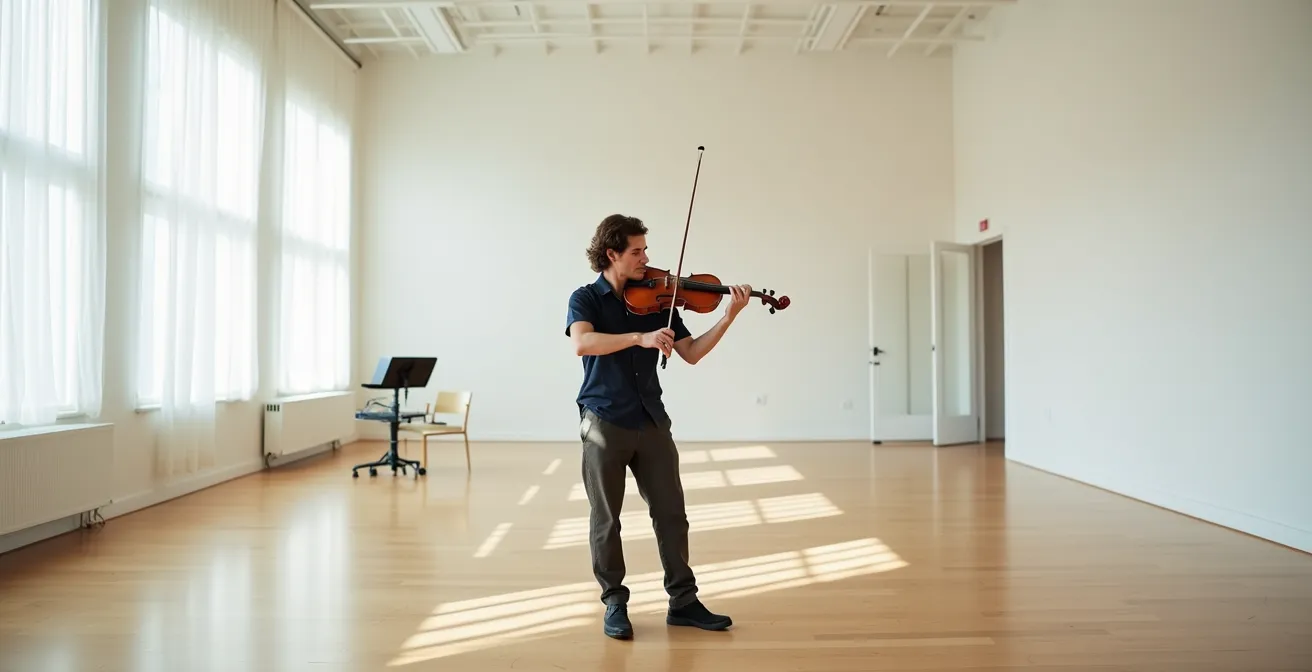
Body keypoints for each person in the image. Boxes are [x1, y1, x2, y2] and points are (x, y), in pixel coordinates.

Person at [565, 213, 750, 640]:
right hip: (604, 420)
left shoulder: (659, 299)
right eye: (637, 251)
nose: (647, 259)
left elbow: (692, 352)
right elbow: (582, 343)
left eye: (646, 250)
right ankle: (614, 601)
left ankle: (683, 601)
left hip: (651, 420)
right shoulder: (585, 298)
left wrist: (728, 316)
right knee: (607, 519)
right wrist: (639, 337)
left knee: (672, 514)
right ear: (611, 254)